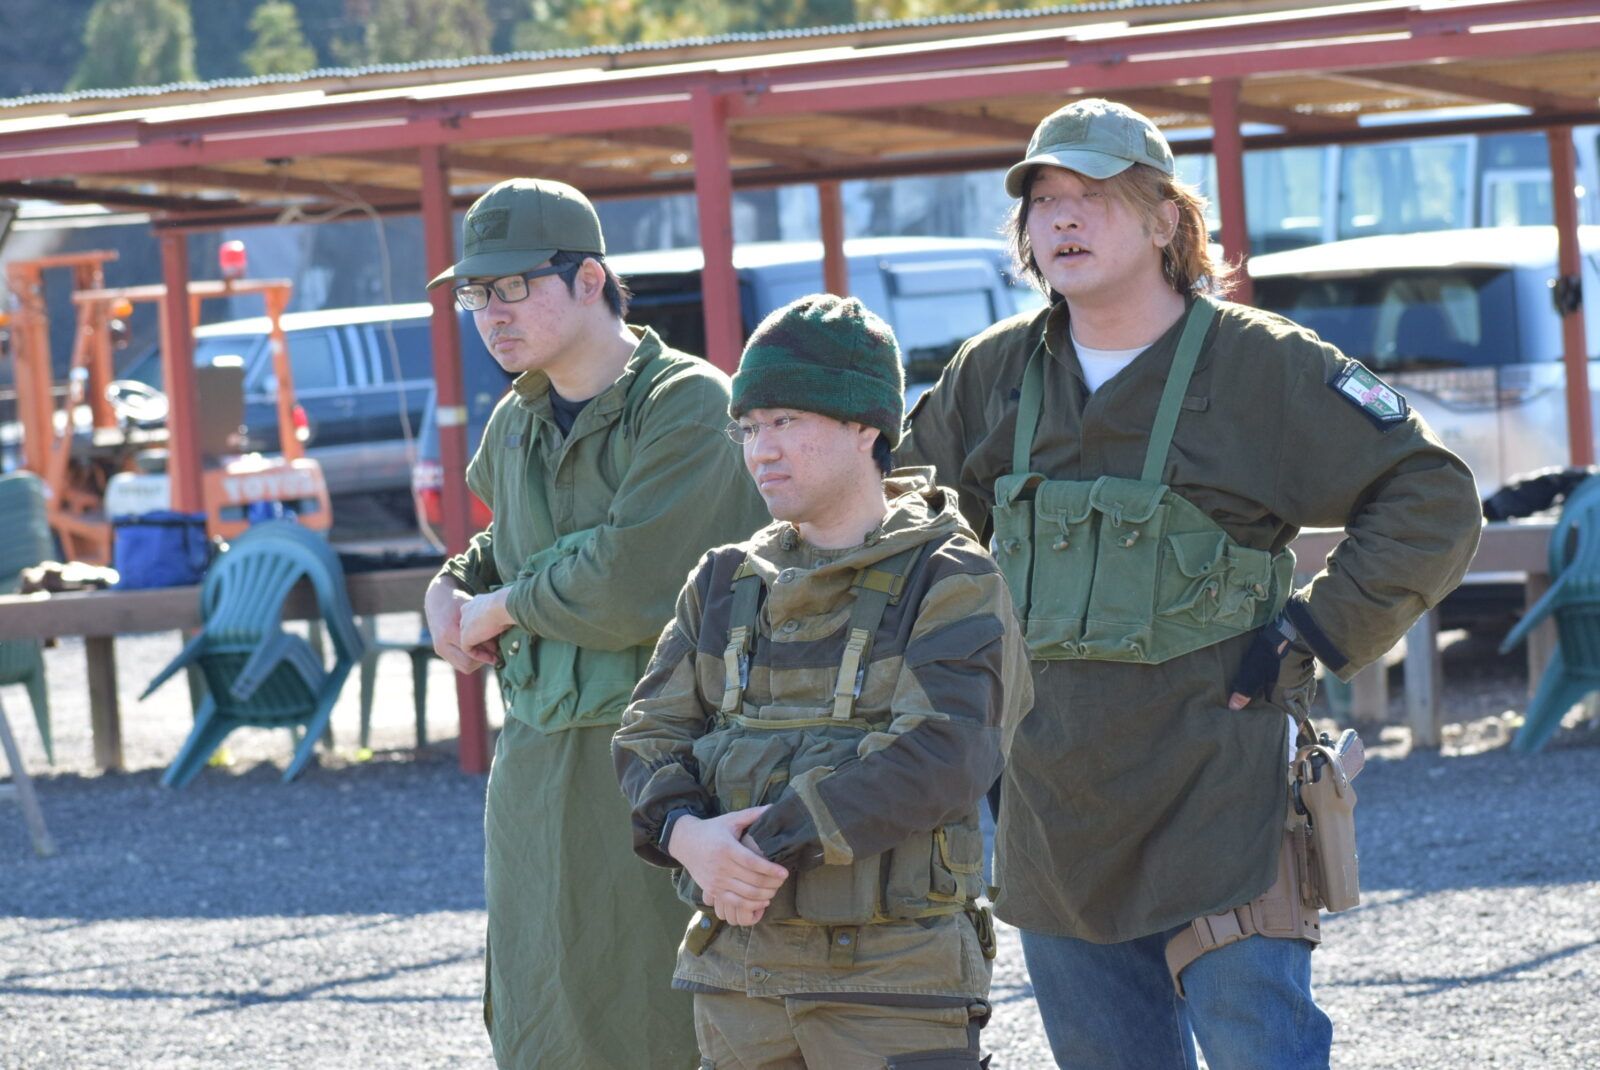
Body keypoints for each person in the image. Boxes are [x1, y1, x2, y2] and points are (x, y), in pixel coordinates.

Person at [899, 99, 1483, 1068]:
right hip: (1054, 822)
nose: (1062, 218)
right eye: (1043, 200)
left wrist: (1315, 630)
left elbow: (1433, 497)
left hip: (1223, 809)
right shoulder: (990, 374)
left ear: (1165, 219)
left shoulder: (1264, 366)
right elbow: (904, 528)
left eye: (1092, 195)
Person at [613, 294, 1033, 1070]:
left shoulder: (949, 577)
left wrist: (753, 852)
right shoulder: (724, 581)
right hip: (738, 983)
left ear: (866, 426)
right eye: (749, 427)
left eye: (786, 420)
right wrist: (687, 837)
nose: (761, 450)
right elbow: (648, 736)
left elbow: (946, 753)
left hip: (891, 988)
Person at [421, 177, 769, 1070]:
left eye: (514, 285)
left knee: (655, 1010)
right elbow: (506, 542)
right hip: (534, 760)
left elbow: (632, 582)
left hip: (663, 756)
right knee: (540, 1006)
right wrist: (449, 587)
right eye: (475, 293)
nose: (492, 313)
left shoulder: (688, 402)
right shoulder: (516, 419)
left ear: (590, 280)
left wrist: (499, 606)